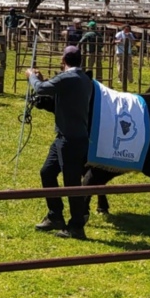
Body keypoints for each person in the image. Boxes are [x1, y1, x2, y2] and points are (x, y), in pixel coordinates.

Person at [26, 46, 93, 240]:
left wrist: (32, 76)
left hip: (70, 140)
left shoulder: (68, 78)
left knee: (71, 183)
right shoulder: (84, 79)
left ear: (63, 60)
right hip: (64, 137)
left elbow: (40, 89)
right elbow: (55, 91)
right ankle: (55, 215)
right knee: (47, 172)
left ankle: (77, 226)